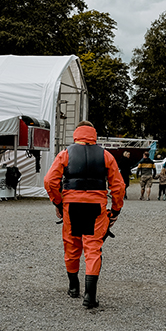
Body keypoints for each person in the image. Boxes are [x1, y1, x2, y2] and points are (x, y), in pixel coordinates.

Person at [44, 120, 125, 309]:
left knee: (72, 246)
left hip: (71, 206)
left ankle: (73, 287)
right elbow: (118, 186)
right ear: (93, 134)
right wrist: (115, 210)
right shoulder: (106, 156)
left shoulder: (65, 154)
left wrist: (58, 202)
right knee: (93, 249)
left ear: (77, 133)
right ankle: (90, 296)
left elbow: (49, 181)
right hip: (96, 207)